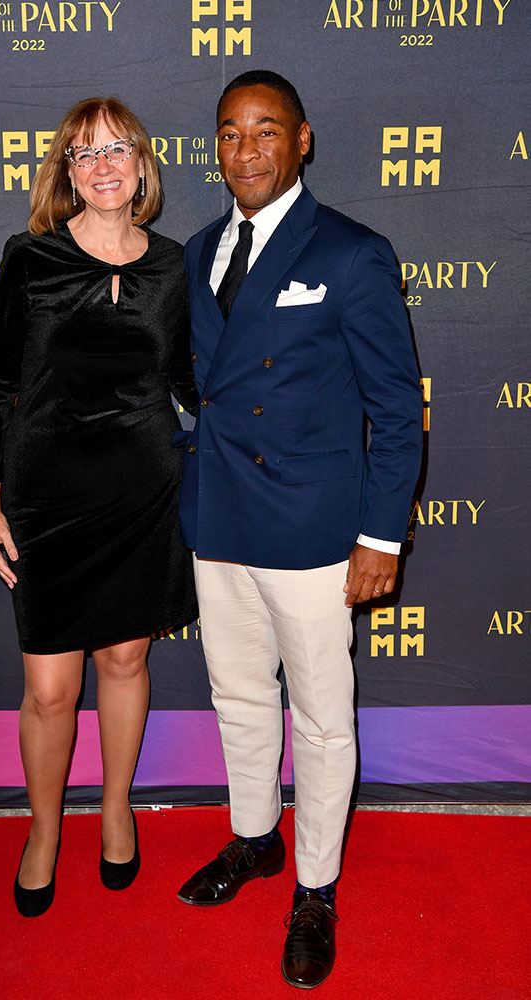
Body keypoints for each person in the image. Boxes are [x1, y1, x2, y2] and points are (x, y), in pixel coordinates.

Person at [174, 71, 423, 989]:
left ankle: (315, 887)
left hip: (316, 528)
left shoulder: (353, 252)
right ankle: (255, 839)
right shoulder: (199, 249)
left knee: (320, 722)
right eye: (231, 134)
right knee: (238, 696)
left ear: (303, 140)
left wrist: (381, 537)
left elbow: (397, 411)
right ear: (217, 147)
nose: (247, 150)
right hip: (221, 517)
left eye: (266, 131)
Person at [0, 97, 198, 917]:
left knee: (126, 663)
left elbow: (189, 382)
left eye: (117, 149)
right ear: (66, 173)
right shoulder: (29, 259)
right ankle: (43, 830)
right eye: (84, 153)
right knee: (49, 691)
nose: (103, 165)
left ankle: (114, 809)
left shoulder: (175, 266)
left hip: (142, 491)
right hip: (46, 498)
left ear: (143, 163)